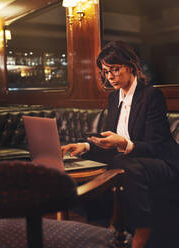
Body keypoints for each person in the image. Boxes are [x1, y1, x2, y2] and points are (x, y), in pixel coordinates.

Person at [61, 41, 179, 248]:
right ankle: (107, 219)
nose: (110, 77)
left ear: (130, 66)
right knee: (98, 158)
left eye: (114, 70)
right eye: (106, 72)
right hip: (130, 158)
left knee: (124, 162)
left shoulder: (151, 96)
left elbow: (156, 146)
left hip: (163, 160)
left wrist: (125, 144)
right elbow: (110, 139)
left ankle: (142, 227)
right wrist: (85, 147)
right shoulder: (113, 97)